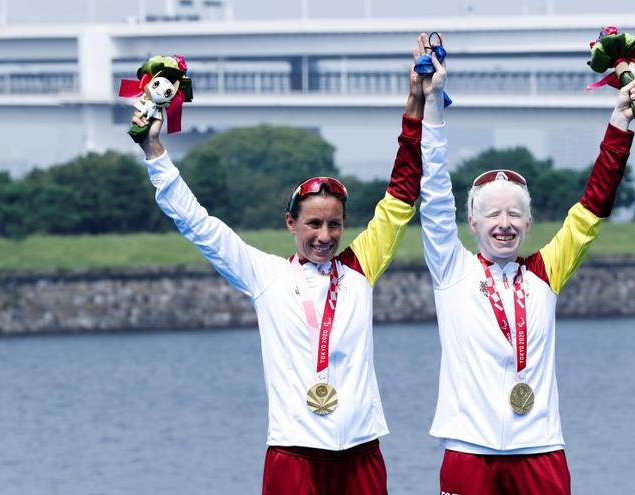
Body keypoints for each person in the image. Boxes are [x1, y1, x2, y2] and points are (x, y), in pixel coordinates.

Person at [130, 38, 433, 495]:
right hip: (292, 454)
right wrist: (155, 153)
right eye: (313, 224)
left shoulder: (362, 265)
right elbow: (199, 225)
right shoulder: (266, 275)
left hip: (361, 452)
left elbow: (402, 196)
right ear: (291, 222)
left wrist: (415, 104)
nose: (325, 236)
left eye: (335, 225)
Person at [417, 32, 635, 494]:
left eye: (514, 214)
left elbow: (593, 207)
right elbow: (434, 191)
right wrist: (433, 105)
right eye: (492, 215)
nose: (503, 224)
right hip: (469, 452)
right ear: (472, 224)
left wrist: (620, 121)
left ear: (529, 222)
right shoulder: (451, 270)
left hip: (540, 451)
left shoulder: (548, 270)